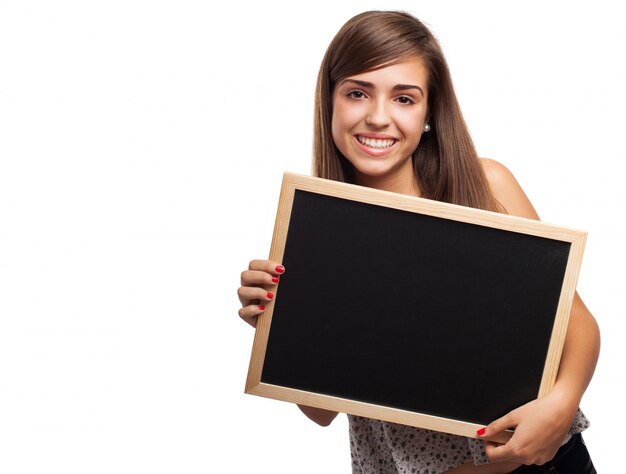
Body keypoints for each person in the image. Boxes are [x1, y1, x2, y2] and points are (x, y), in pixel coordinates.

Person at [237, 10, 600, 474]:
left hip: (539, 464)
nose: (378, 117)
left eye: (404, 98)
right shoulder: (316, 232)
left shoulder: (485, 185)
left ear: (430, 112)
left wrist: (562, 404)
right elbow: (323, 410)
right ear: (330, 101)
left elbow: (578, 325)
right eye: (356, 93)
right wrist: (275, 328)